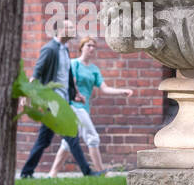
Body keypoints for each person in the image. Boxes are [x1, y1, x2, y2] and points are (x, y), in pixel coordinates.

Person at [18, 20, 96, 178]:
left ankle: (26, 172)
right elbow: (37, 73)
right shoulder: (49, 49)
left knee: (44, 140)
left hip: (63, 99)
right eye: (70, 27)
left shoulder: (65, 49)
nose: (74, 30)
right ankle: (87, 173)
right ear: (61, 30)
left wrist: (76, 93)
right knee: (71, 135)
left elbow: (67, 75)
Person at [47, 36, 132, 176]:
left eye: (93, 46)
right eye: (88, 45)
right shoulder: (74, 64)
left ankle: (52, 174)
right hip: (73, 106)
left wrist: (122, 91)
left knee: (69, 142)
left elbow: (104, 88)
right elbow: (70, 83)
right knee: (92, 137)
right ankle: (101, 172)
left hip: (83, 108)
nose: (91, 48)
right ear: (81, 48)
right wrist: (77, 94)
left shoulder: (94, 69)